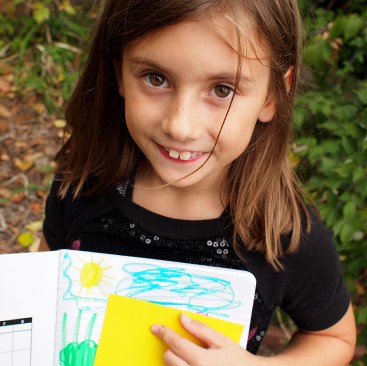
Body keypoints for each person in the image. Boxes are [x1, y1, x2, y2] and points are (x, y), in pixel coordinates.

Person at [39, 0, 356, 364]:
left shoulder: (284, 232)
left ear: (273, 94)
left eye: (222, 89)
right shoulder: (78, 186)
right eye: (155, 78)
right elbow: (41, 293)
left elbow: (333, 337)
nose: (180, 125)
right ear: (118, 71)